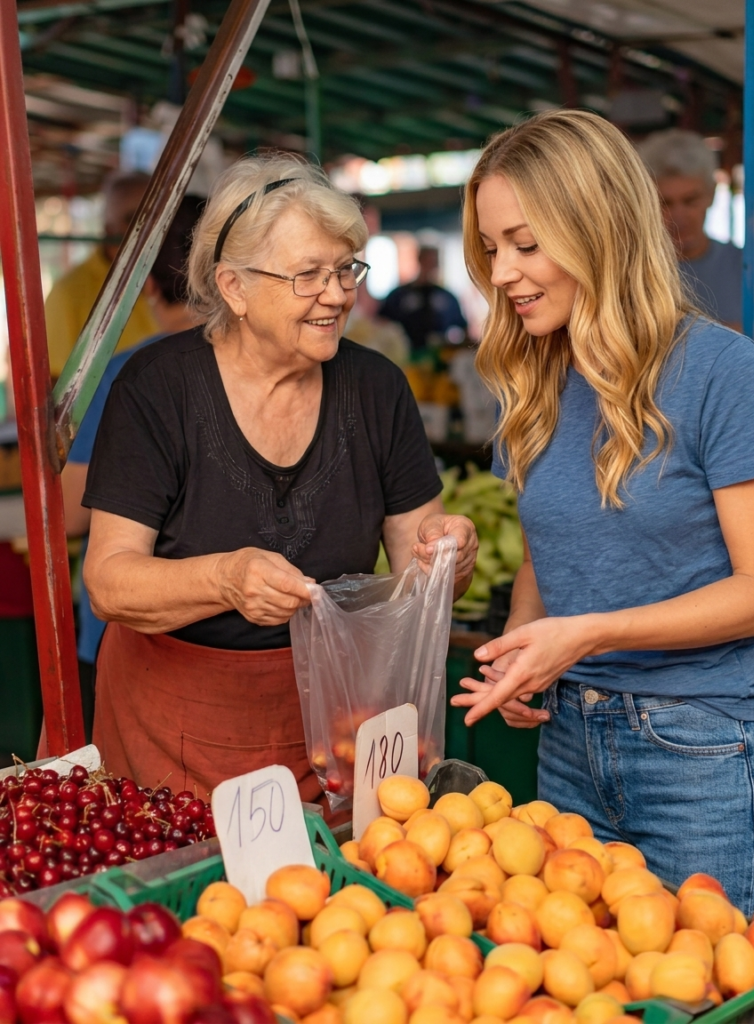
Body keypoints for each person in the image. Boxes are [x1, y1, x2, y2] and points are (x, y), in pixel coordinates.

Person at [452, 110, 754, 914]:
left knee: (712, 993)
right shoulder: (535, 379)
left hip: (700, 752)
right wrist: (522, 652)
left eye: (525, 244)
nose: (502, 271)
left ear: (597, 230)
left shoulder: (719, 372)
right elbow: (547, 551)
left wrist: (592, 631)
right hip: (569, 745)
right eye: (492, 248)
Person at [80, 155, 478, 804]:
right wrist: (224, 578)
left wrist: (449, 558)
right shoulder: (157, 389)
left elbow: (420, 575)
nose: (337, 293)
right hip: (172, 724)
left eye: (346, 267)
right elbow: (109, 582)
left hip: (332, 724)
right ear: (232, 287)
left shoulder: (375, 389)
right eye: (308, 275)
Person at [61, 196, 204, 741]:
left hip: (133, 640)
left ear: (147, 285)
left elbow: (74, 513)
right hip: (232, 648)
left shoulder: (129, 372)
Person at [637, 130, 754, 477]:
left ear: (711, 194)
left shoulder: (746, 265)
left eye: (691, 200)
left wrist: (727, 339)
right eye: (665, 203)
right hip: (662, 457)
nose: (679, 215)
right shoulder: (633, 274)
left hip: (745, 445)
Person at [45, 171, 159, 378]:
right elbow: (52, 386)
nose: (151, 227)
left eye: (157, 215)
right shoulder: (69, 293)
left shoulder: (176, 275)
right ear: (109, 229)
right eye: (136, 218)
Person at [379, 245, 467, 351]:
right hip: (406, 354)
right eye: (427, 261)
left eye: (433, 262)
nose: (430, 266)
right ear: (419, 260)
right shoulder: (399, 295)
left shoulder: (447, 297)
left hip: (440, 355)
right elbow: (382, 322)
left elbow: (462, 328)